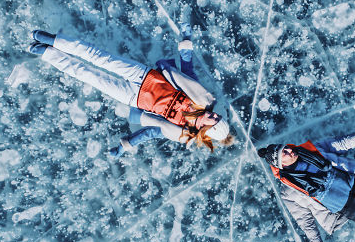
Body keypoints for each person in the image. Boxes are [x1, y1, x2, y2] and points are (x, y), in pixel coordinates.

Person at [28, 25, 234, 155]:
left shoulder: (183, 134)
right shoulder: (203, 100)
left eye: (214, 120)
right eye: (218, 116)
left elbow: (153, 132)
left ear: (207, 130)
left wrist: (125, 145)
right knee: (97, 56)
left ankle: (47, 53)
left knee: (87, 74)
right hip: (144, 76)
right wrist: (186, 42)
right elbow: (188, 72)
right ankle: (54, 39)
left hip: (133, 97)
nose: (214, 115)